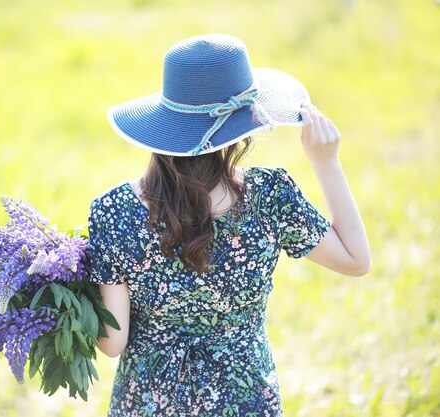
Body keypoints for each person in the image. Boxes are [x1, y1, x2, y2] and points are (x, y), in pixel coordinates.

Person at [87, 34, 371, 417]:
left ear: (165, 123)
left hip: (148, 404)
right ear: (242, 127)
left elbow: (113, 342)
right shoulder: (270, 196)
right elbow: (356, 260)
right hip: (246, 401)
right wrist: (326, 162)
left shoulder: (113, 211)